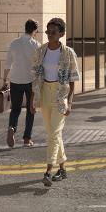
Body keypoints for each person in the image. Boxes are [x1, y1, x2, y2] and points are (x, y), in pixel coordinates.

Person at [35, 17, 79, 188]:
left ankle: (48, 170)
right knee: (53, 132)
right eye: (48, 32)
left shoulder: (68, 53)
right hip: (45, 93)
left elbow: (74, 78)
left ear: (61, 33)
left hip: (61, 95)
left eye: (53, 32)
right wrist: (33, 97)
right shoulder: (41, 51)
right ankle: (62, 168)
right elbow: (36, 74)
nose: (50, 35)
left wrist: (70, 101)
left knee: (53, 133)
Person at [3, 17, 42, 147]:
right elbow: (38, 66)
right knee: (31, 109)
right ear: (35, 30)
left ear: (25, 28)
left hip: (15, 80)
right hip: (30, 80)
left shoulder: (14, 43)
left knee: (15, 109)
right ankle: (27, 139)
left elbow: (8, 63)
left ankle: (12, 128)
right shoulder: (36, 45)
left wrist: (5, 80)